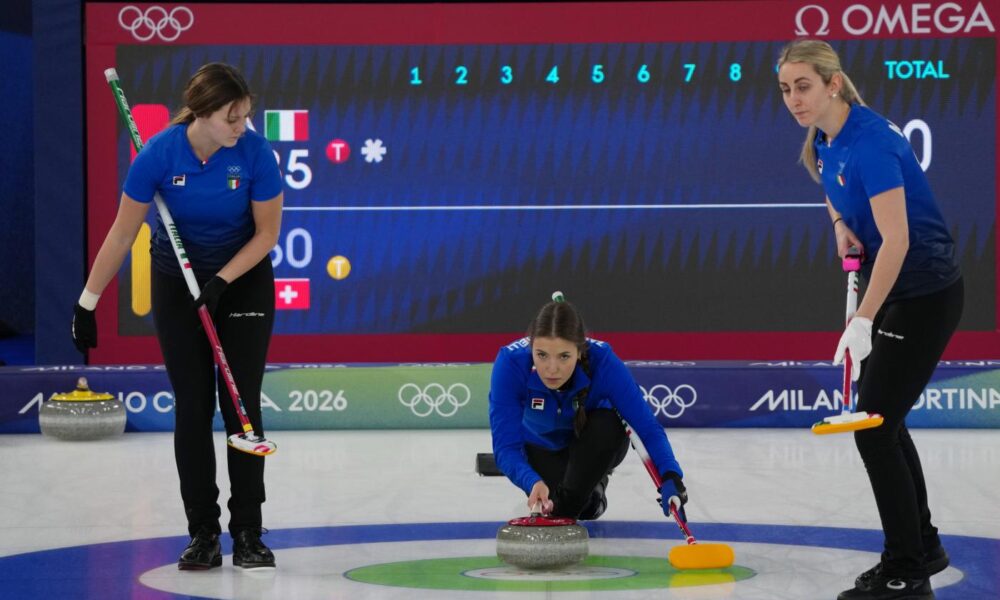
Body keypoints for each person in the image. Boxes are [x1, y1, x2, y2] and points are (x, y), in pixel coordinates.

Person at [71, 63, 284, 570]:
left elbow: (267, 235)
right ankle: (203, 533)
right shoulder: (159, 155)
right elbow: (122, 234)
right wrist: (88, 300)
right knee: (191, 406)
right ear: (204, 113)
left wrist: (221, 282)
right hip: (177, 281)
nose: (241, 127)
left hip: (242, 277)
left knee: (242, 406)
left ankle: (249, 531)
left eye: (246, 117)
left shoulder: (255, 154)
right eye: (232, 118)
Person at [778, 40, 963, 600]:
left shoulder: (874, 143)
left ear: (833, 84)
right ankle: (923, 546)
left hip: (925, 293)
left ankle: (905, 570)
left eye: (803, 86)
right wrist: (839, 225)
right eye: (786, 89)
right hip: (896, 294)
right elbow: (832, 189)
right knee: (885, 423)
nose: (793, 99)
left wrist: (861, 318)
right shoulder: (826, 140)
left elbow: (900, 240)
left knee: (874, 429)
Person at [488, 293, 687, 523]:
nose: (552, 369)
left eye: (564, 356)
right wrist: (531, 480)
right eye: (541, 355)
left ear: (580, 351)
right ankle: (589, 487)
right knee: (563, 505)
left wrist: (671, 475)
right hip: (540, 446)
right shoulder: (510, 364)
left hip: (592, 442)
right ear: (531, 348)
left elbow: (647, 428)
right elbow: (506, 448)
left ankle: (594, 482)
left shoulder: (603, 361)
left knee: (580, 505)